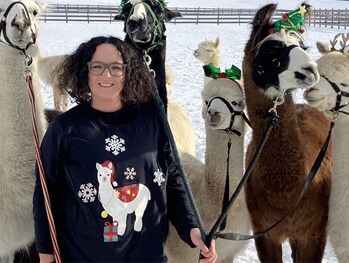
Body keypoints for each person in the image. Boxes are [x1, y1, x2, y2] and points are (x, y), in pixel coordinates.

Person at [33, 36, 217, 263]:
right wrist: (45, 254)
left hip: (147, 256)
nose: (106, 75)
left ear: (128, 72)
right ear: (85, 71)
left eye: (116, 67)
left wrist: (192, 228)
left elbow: (173, 181)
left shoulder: (153, 123)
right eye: (97, 67)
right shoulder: (65, 129)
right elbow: (44, 194)